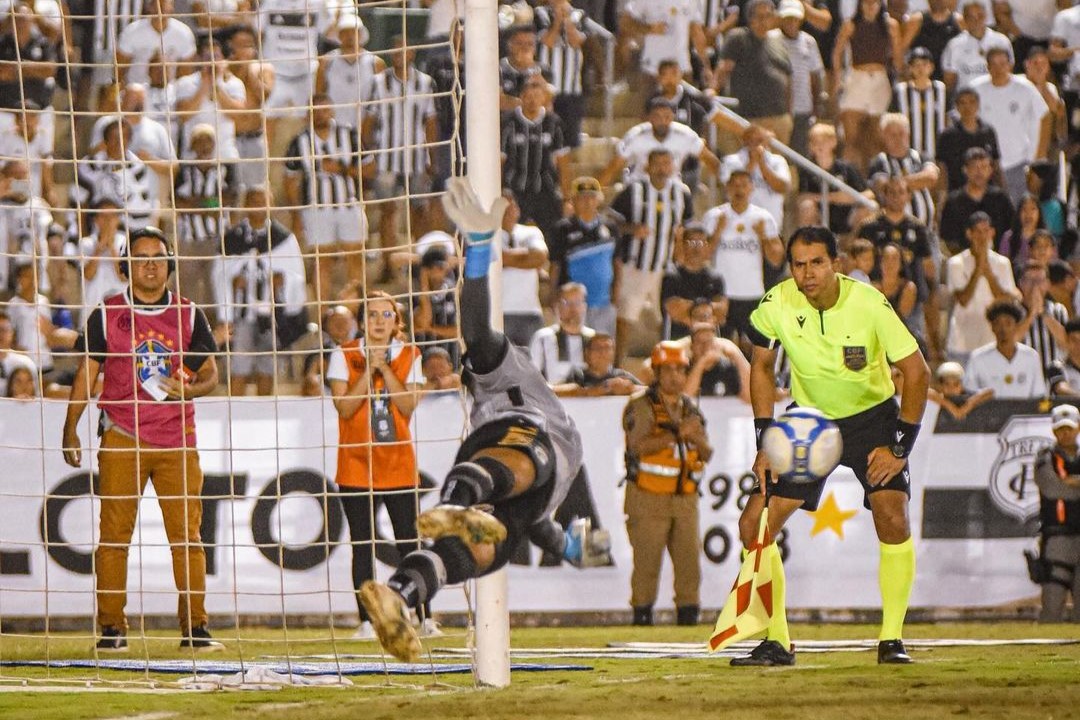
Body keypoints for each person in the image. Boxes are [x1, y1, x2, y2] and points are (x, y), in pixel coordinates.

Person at [359, 178, 604, 663]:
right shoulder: (500, 368)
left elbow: (537, 522)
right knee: (519, 463)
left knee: (481, 554)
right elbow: (476, 328)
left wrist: (570, 548)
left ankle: (399, 594)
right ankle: (457, 505)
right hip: (519, 439)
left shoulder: (487, 384)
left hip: (501, 482)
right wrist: (478, 252)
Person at [732, 225, 930, 666]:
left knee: (892, 515)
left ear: (836, 264)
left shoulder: (870, 304)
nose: (807, 273)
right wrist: (766, 438)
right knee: (754, 523)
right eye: (798, 265)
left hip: (873, 419)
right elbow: (761, 367)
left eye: (817, 262)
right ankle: (777, 641)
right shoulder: (777, 302)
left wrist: (899, 446)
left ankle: (891, 639)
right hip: (809, 423)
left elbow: (917, 374)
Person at [61, 227, 223, 652]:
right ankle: (112, 628)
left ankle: (195, 628)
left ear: (170, 264)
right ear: (126, 264)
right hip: (121, 437)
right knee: (114, 536)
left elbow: (211, 376)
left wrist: (190, 390)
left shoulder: (189, 314)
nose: (150, 264)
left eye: (158, 256)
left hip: (177, 440)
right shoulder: (105, 313)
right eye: (141, 256)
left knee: (188, 537)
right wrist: (70, 425)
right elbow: (86, 375)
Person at [326, 291, 435, 640]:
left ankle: (423, 616)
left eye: (385, 315)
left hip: (398, 463)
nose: (378, 321)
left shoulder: (411, 355)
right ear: (362, 320)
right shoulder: (343, 354)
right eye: (371, 314)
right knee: (363, 545)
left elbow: (407, 406)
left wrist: (384, 368)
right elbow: (343, 408)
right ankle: (367, 621)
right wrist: (367, 370)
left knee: (410, 542)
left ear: (396, 321)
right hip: (356, 464)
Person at [622, 341, 712, 627]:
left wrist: (696, 438)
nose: (675, 375)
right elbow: (637, 446)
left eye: (680, 369)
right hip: (648, 496)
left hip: (685, 497)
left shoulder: (690, 409)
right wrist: (678, 435)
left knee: (689, 566)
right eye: (668, 369)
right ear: (657, 373)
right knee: (647, 565)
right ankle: (642, 617)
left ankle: (688, 618)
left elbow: (707, 453)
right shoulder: (641, 406)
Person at [970, 47, 1051, 202]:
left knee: (1018, 210)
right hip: (987, 166)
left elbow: (1045, 116)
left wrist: (1039, 157)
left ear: (1010, 65)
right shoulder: (976, 89)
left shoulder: (1025, 87)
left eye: (1003, 63)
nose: (999, 68)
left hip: (1018, 163)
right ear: (987, 67)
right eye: (994, 64)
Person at [831, 0, 901, 170]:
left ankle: (875, 178)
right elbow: (837, 52)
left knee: (876, 138)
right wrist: (838, 78)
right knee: (851, 138)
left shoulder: (890, 25)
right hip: (857, 79)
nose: (871, 5)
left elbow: (898, 55)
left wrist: (898, 79)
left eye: (874, 2)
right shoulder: (851, 25)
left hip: (880, 81)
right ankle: (851, 179)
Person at [945, 211, 1022, 363]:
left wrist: (988, 273)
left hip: (991, 342)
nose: (982, 237)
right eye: (978, 232)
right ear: (969, 234)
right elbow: (963, 299)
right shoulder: (956, 263)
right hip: (962, 343)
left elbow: (1005, 299)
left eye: (986, 231)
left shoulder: (1002, 263)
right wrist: (977, 269)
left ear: (992, 233)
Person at [1031, 403, 1080, 622]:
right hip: (1057, 538)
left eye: (1069, 428)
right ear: (1053, 431)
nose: (1065, 433)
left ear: (1078, 428)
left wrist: (1073, 483)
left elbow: (1063, 489)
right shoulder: (1045, 457)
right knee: (1052, 605)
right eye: (1061, 429)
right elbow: (1052, 489)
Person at [964, 300, 1046, 399]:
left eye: (1008, 323)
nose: (1003, 329)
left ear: (1016, 326)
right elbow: (969, 393)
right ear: (992, 327)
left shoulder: (1031, 357)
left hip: (1022, 413)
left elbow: (1038, 394)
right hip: (990, 413)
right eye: (997, 323)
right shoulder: (978, 357)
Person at [529, 282, 595, 384]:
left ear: (584, 307)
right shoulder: (543, 337)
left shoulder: (594, 338)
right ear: (558, 307)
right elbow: (532, 376)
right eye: (566, 303)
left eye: (577, 303)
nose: (573, 309)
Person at [554, 333, 642, 397]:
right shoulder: (578, 375)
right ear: (587, 353)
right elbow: (557, 392)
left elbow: (647, 392)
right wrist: (592, 391)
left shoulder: (622, 376)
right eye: (597, 348)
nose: (602, 352)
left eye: (607, 348)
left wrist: (630, 388)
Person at [928, 361, 993, 420]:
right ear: (941, 385)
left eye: (956, 384)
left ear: (962, 385)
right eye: (947, 384)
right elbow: (927, 392)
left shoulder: (967, 395)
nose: (951, 388)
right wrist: (952, 408)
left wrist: (967, 406)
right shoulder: (938, 397)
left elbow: (989, 392)